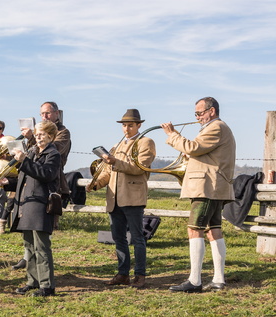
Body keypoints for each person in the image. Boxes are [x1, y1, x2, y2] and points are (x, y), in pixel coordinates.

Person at [165, 97, 236, 293]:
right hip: (213, 186)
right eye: (195, 114)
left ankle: (194, 280)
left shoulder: (216, 127)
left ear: (211, 111)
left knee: (194, 229)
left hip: (207, 187)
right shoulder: (216, 128)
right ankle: (218, 279)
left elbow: (193, 148)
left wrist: (172, 135)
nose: (197, 117)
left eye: (199, 113)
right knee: (213, 230)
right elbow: (199, 151)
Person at [86, 109, 155, 289]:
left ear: (139, 125)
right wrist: (96, 184)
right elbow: (108, 172)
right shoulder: (116, 145)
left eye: (130, 125)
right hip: (114, 198)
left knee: (138, 238)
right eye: (124, 125)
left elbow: (139, 168)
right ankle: (123, 273)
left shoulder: (146, 142)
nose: (126, 128)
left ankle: (140, 275)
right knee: (119, 238)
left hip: (133, 197)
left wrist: (114, 161)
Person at [13, 101, 71, 269]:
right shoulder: (37, 134)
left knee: (42, 232)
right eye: (42, 114)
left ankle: (42, 271)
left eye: (47, 113)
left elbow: (54, 149)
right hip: (31, 183)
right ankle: (29, 260)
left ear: (56, 114)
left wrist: (32, 137)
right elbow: (32, 155)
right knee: (29, 229)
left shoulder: (63, 132)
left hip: (49, 184)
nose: (44, 116)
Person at [9, 120, 62, 297]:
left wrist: (24, 160)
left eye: (41, 134)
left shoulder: (53, 154)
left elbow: (45, 174)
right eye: (37, 134)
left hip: (41, 205)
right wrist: (6, 183)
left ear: (50, 136)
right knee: (29, 246)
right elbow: (25, 178)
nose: (37, 137)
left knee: (41, 247)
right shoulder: (32, 152)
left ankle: (47, 285)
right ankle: (33, 281)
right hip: (27, 204)